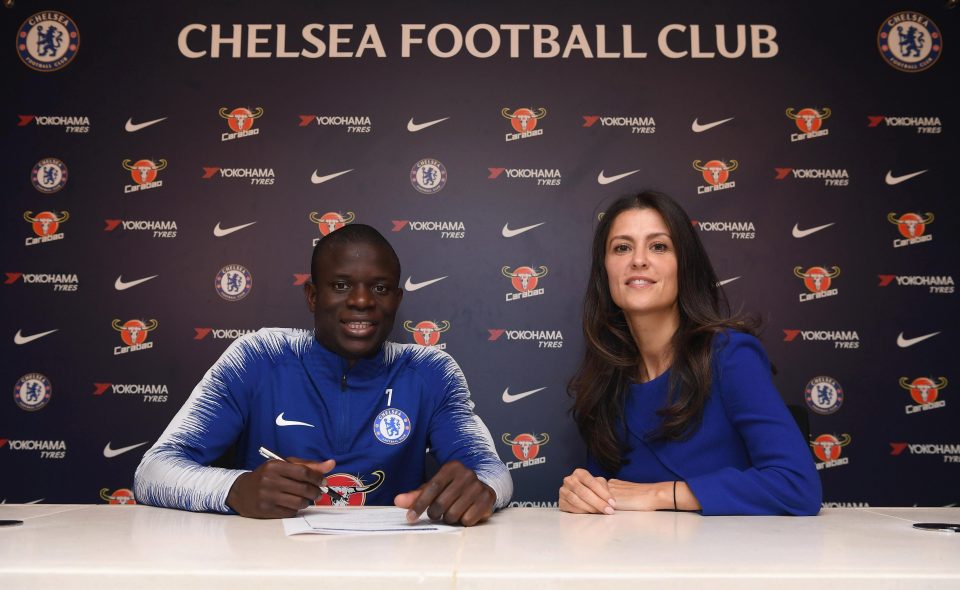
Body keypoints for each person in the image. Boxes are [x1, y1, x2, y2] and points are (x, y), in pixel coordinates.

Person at [135, 224, 512, 526]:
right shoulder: (259, 356)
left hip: (392, 574)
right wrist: (236, 488)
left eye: (379, 288)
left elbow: (493, 471)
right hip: (270, 571)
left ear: (397, 300)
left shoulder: (431, 371)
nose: (362, 300)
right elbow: (153, 471)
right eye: (341, 285)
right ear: (313, 296)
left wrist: (482, 491)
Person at [559, 192, 821, 516]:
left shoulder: (730, 355)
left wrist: (660, 495)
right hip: (637, 560)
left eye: (659, 246)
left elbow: (798, 486)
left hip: (732, 560)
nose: (638, 260)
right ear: (605, 271)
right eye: (622, 247)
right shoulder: (606, 378)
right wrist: (583, 495)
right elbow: (610, 499)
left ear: (685, 265)